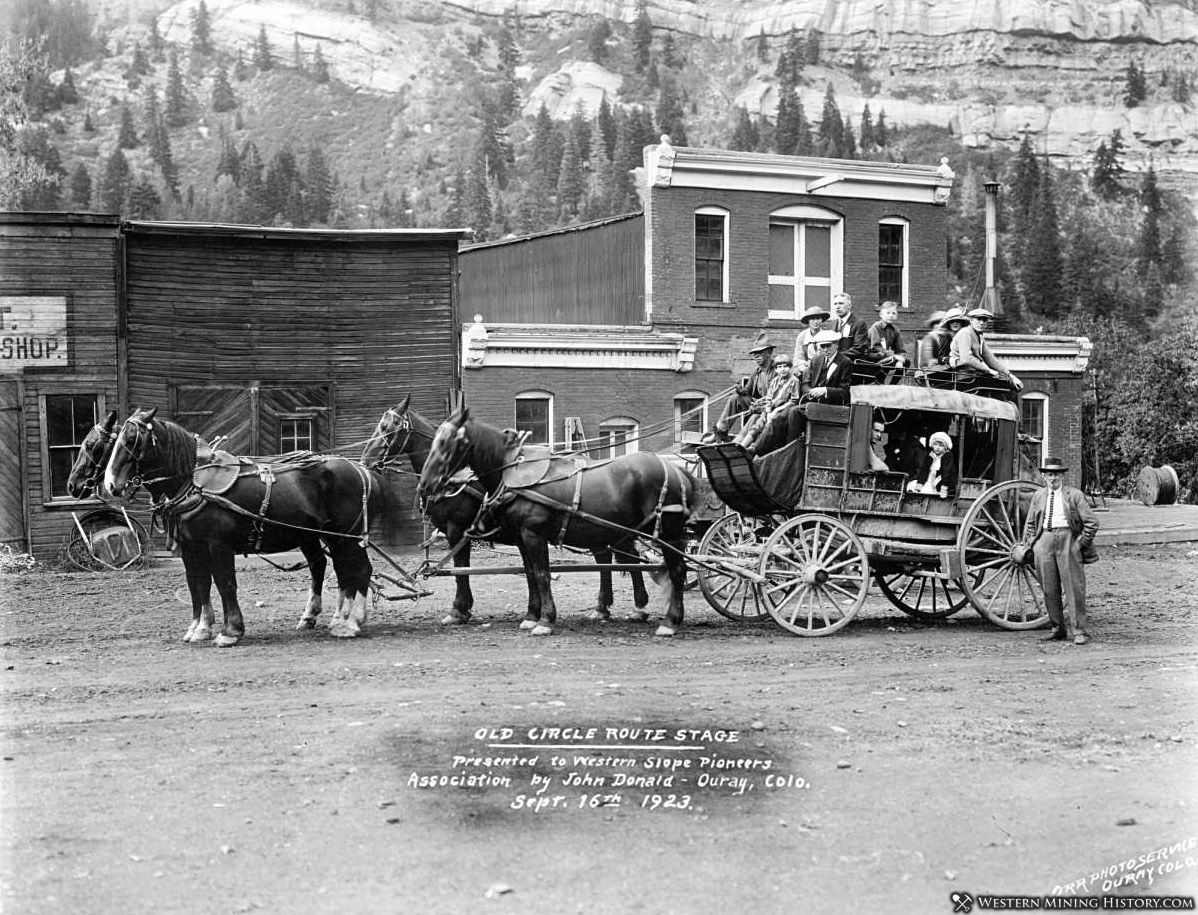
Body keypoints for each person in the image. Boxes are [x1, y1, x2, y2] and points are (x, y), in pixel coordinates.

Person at [1019, 457, 1100, 645]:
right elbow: (1030, 523)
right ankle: (1057, 629)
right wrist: (1033, 543)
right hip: (1044, 541)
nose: (1052, 478)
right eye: (1048, 474)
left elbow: (1092, 523)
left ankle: (1079, 631)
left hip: (1068, 540)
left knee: (1074, 588)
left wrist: (1079, 544)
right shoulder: (1038, 496)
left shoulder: (1075, 495)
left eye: (1055, 474)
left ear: (1062, 475)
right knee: (1049, 588)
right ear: (1043, 476)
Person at [754, 329, 850, 455]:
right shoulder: (817, 359)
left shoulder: (844, 362)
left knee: (794, 412)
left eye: (828, 346)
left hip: (831, 406)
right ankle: (758, 449)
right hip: (812, 403)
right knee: (780, 416)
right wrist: (810, 391)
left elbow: (845, 391)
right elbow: (805, 383)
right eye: (822, 346)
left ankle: (790, 449)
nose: (825, 349)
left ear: (836, 344)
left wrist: (825, 390)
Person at [949, 307, 1023, 401]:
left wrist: (1011, 375)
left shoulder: (979, 336)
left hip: (975, 375)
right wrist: (989, 370)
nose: (981, 323)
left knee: (1010, 383)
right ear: (971, 320)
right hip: (965, 377)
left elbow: (990, 359)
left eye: (984, 320)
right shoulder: (965, 333)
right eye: (978, 319)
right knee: (1005, 386)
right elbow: (966, 358)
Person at [714, 332, 776, 440]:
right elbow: (746, 391)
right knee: (735, 398)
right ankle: (720, 432)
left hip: (773, 406)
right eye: (754, 353)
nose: (755, 356)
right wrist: (740, 390)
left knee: (755, 417)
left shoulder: (777, 370)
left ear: (769, 353)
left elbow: (779, 397)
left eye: (760, 353)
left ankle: (739, 441)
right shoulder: (756, 372)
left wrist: (761, 406)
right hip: (758, 404)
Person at [735, 352, 798, 449]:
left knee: (768, 425)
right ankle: (742, 445)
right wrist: (768, 411)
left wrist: (776, 410)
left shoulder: (794, 381)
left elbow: (793, 401)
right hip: (771, 409)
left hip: (784, 410)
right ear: (776, 369)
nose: (782, 369)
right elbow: (769, 398)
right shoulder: (775, 381)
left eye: (785, 366)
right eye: (780, 367)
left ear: (790, 367)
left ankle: (754, 446)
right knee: (759, 422)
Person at [905, 431, 957, 497]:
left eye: (941, 446)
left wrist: (944, 489)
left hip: (941, 483)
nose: (937, 447)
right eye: (935, 444)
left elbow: (946, 472)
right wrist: (919, 484)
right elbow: (924, 471)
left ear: (945, 447)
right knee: (911, 486)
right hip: (928, 481)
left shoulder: (947, 457)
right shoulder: (930, 456)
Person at [868, 301, 908, 382]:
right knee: (890, 360)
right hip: (872, 356)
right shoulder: (876, 327)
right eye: (888, 313)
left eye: (894, 313)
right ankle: (879, 382)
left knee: (906, 363)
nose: (891, 315)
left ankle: (892, 385)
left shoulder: (895, 330)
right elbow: (876, 347)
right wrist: (894, 356)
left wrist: (900, 359)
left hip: (885, 356)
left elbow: (900, 348)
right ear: (881, 315)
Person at [791, 304, 830, 374]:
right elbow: (798, 357)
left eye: (818, 318)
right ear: (808, 321)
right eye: (812, 319)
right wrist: (806, 366)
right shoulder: (802, 336)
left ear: (822, 320)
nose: (816, 322)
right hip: (806, 367)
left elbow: (829, 355)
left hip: (823, 368)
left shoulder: (827, 335)